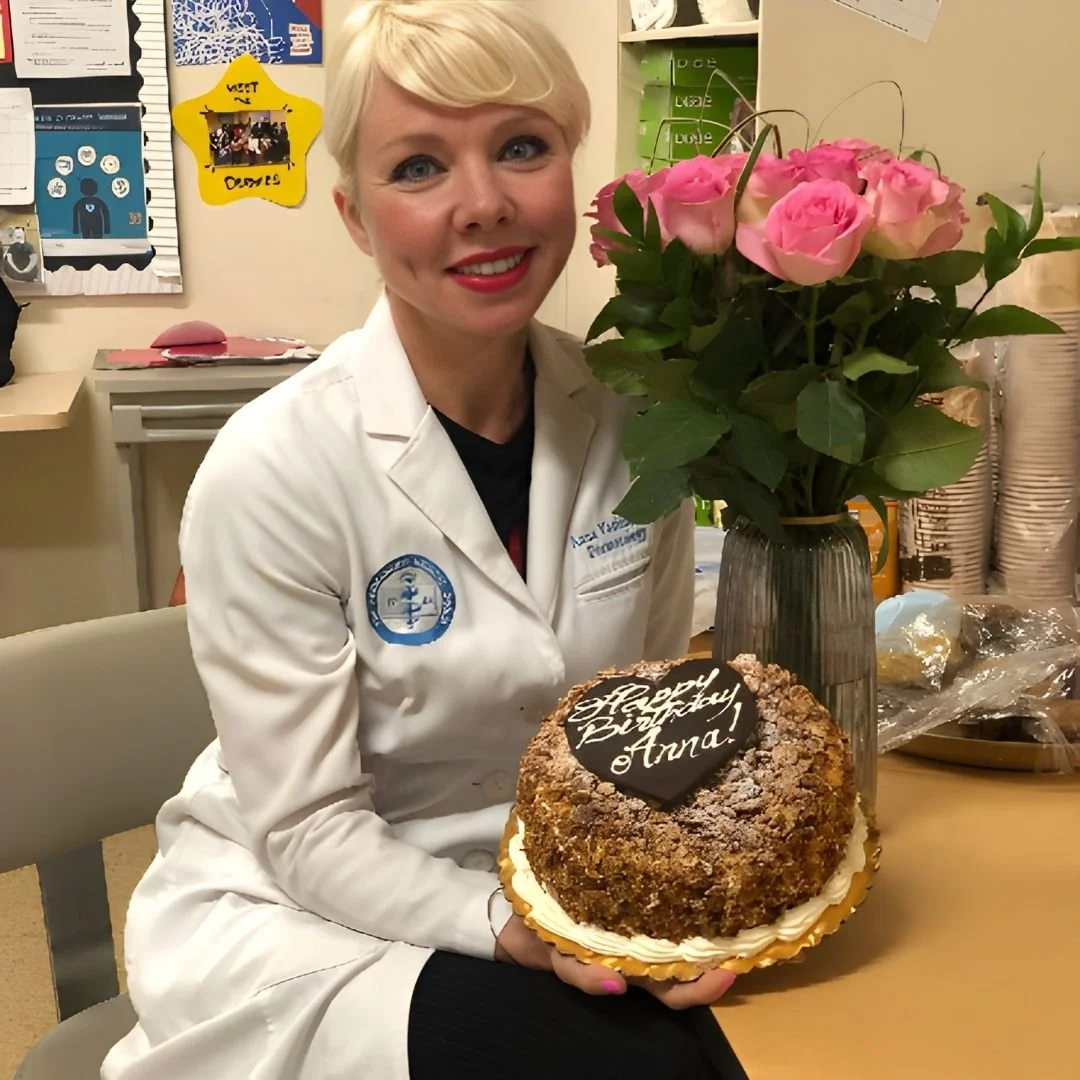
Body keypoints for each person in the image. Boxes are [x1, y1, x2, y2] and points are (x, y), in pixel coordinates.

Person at [102, 3, 746, 1079]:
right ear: (356, 218)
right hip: (315, 910)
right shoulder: (275, 469)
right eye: (419, 168)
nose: (484, 204)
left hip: (562, 876)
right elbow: (306, 832)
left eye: (521, 148)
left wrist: (651, 898)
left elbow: (645, 719)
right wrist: (519, 925)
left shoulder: (640, 419)